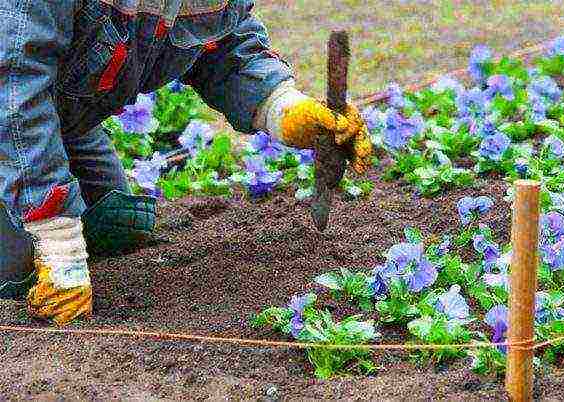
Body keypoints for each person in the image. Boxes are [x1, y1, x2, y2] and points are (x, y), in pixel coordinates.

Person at [0, 1, 372, 326]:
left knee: (116, 221)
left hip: (64, 118)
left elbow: (227, 47)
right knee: (19, 267)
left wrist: (284, 108)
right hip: (13, 112)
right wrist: (58, 237)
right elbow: (15, 92)